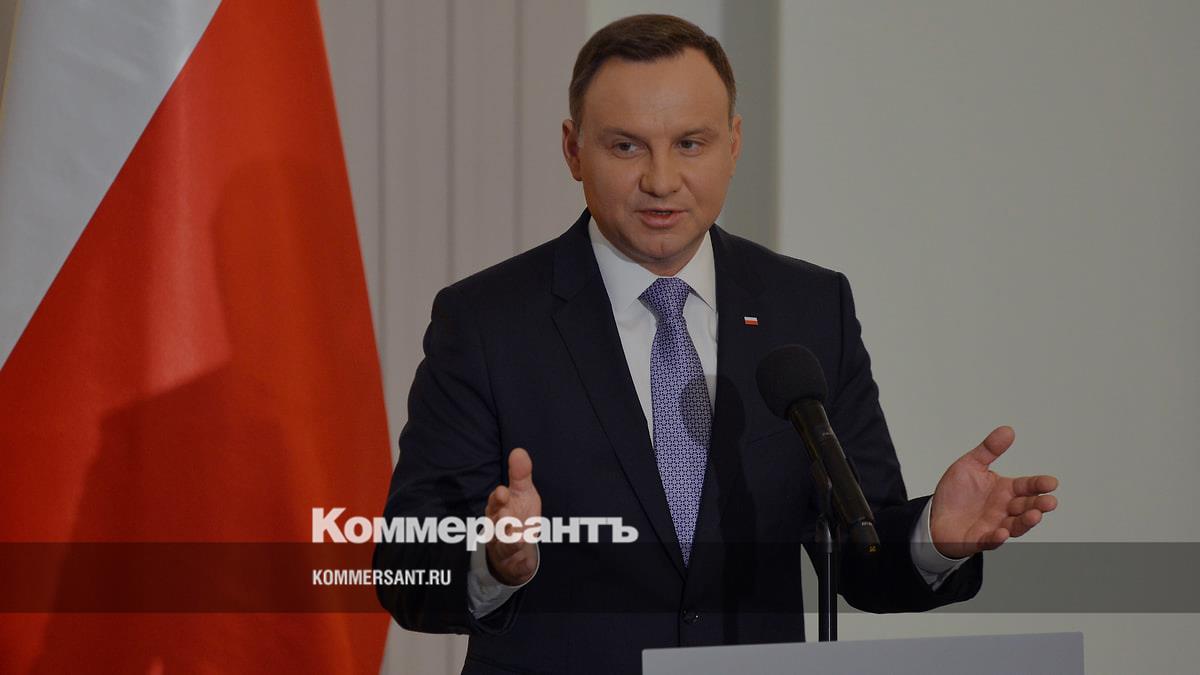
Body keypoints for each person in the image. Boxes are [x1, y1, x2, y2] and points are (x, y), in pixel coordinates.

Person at [374, 14, 1059, 674]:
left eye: (690, 144)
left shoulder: (808, 308)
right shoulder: (486, 322)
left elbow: (864, 553)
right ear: (573, 150)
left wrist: (934, 536)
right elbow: (405, 571)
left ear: (733, 144)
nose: (661, 180)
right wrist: (494, 562)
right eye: (625, 146)